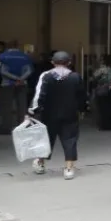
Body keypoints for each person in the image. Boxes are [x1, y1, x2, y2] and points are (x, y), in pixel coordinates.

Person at [28, 51, 86, 180]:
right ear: (69, 62)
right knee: (70, 140)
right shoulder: (76, 77)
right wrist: (82, 110)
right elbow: (81, 96)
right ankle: (69, 169)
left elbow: (39, 95)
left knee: (47, 139)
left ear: (52, 62)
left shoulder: (46, 76)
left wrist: (32, 111)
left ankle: (41, 163)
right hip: (70, 114)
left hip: (49, 114)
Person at [0, 40, 34, 133]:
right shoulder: (25, 56)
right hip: (22, 83)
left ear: (8, 46)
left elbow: (2, 70)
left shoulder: (2, 56)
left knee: (6, 106)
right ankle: (22, 126)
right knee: (22, 106)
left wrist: (14, 78)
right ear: (18, 46)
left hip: (7, 83)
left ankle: (6, 128)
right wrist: (20, 79)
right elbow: (29, 70)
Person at [92, 54, 111, 131]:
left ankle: (105, 125)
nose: (100, 61)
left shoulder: (103, 68)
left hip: (103, 89)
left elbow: (94, 76)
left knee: (102, 108)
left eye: (101, 59)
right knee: (110, 108)